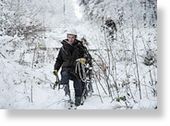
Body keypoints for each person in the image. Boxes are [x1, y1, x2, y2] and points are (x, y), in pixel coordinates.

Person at [53, 29, 90, 106]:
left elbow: (88, 57)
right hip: (66, 68)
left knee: (78, 84)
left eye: (72, 37)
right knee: (64, 77)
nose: (71, 39)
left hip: (77, 69)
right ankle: (66, 96)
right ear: (67, 37)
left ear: (75, 38)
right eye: (69, 37)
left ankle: (78, 99)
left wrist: (84, 60)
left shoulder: (80, 47)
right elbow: (59, 60)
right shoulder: (63, 48)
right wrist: (56, 69)